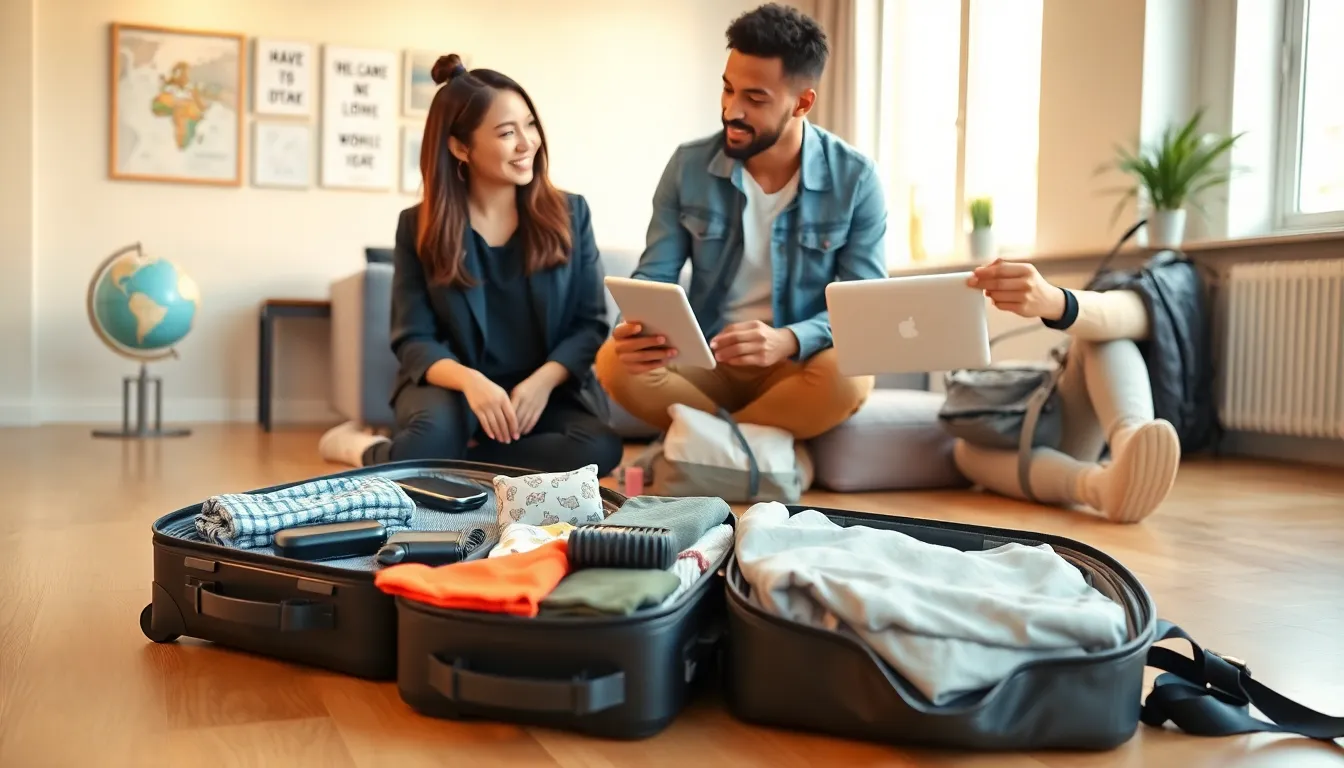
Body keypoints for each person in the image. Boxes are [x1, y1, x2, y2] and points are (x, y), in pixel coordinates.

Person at [319, 54, 623, 477]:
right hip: (453, 387)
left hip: (540, 392)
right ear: (461, 147)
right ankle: (367, 450)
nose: (527, 143)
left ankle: (432, 468)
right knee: (429, 440)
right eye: (506, 132)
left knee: (599, 447)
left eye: (530, 125)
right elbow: (414, 339)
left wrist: (542, 383)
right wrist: (471, 383)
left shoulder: (572, 213)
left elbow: (589, 323)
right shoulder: (417, 225)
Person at [595, 3, 888, 440]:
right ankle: (768, 448)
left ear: (802, 103)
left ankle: (708, 446)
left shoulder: (855, 179)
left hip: (794, 365)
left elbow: (863, 307)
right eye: (728, 90)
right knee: (613, 361)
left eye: (754, 99)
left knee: (851, 376)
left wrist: (787, 339)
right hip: (707, 360)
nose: (732, 110)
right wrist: (635, 329)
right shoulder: (688, 167)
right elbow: (654, 276)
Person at [954, 258, 1184, 524]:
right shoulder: (1170, 284)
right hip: (1072, 430)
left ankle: (1130, 443)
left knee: (1099, 335)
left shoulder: (1169, 285)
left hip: (1082, 430)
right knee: (963, 452)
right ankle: (1106, 484)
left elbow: (1126, 315)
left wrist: (1052, 300)